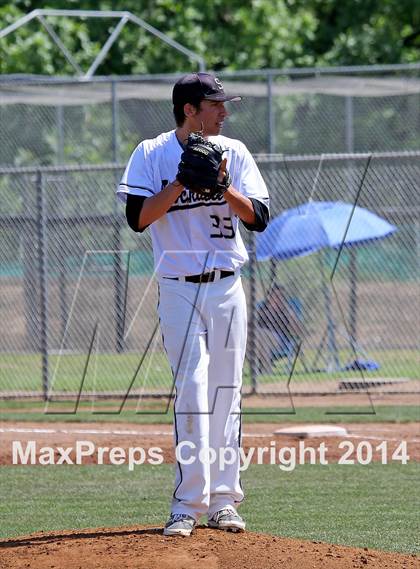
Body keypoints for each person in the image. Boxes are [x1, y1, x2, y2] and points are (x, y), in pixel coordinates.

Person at [117, 72, 269, 537]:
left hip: (226, 285)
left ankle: (225, 501)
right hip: (178, 287)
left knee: (227, 391)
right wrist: (182, 181)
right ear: (190, 110)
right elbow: (138, 219)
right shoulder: (150, 153)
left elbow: (259, 217)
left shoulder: (235, 152)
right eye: (215, 104)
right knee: (191, 390)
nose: (224, 111)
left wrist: (221, 186)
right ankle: (187, 503)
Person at [255, 283, 303, 374]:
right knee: (258, 334)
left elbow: (298, 332)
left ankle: (265, 369)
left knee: (262, 334)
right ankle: (265, 370)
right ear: (269, 297)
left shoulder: (286, 311)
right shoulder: (262, 309)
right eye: (276, 296)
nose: (280, 298)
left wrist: (291, 315)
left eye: (282, 296)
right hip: (259, 339)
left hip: (279, 340)